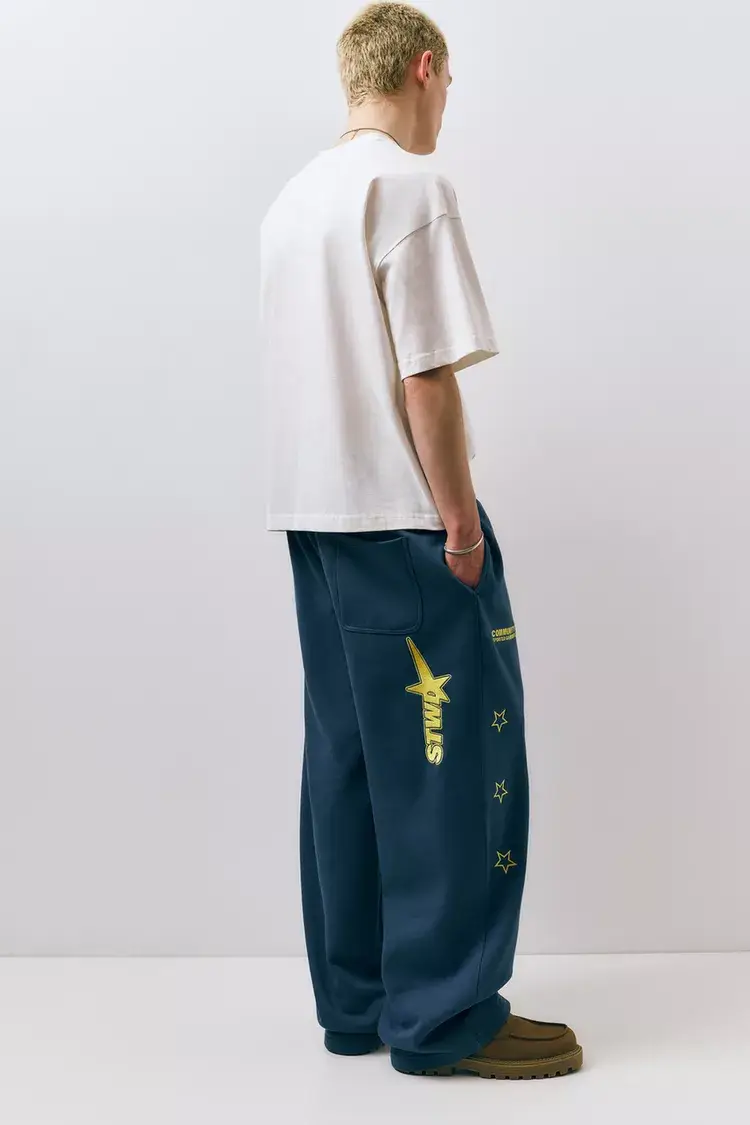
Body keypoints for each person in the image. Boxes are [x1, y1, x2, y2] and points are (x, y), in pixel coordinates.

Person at [259, 2, 583, 1080]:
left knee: (349, 766)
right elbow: (426, 379)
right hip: (403, 524)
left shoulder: (292, 202)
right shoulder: (407, 186)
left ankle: (359, 1004)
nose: (447, 108)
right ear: (426, 70)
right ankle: (445, 1016)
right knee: (449, 768)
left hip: (315, 523)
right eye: (448, 87)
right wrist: (460, 522)